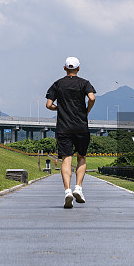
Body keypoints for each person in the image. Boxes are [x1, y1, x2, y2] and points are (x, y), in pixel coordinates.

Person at [46, 57, 96, 208]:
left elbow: (49, 104)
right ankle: (78, 188)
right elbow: (92, 97)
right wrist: (86, 110)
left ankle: (67, 191)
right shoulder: (84, 83)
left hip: (63, 127)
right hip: (81, 126)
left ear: (64, 68)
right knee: (81, 157)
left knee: (66, 159)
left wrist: (60, 108)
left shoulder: (58, 84)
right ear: (79, 69)